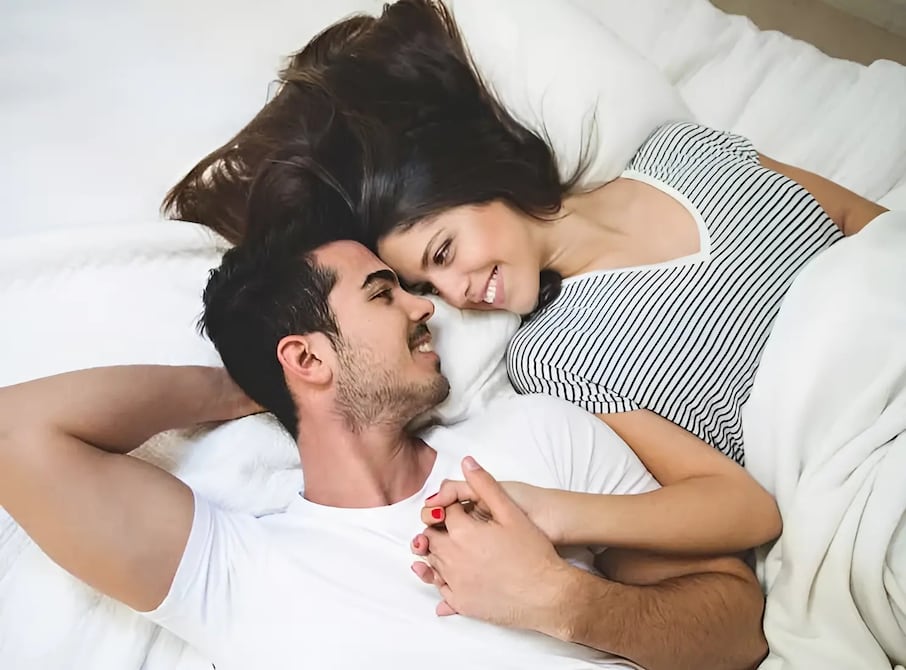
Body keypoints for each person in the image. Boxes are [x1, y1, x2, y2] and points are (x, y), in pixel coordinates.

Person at [162, 0, 893, 562]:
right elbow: (741, 509)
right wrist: (550, 512)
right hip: (863, 463)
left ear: (477, 181)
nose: (455, 293)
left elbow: (872, 229)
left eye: (444, 251)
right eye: (429, 284)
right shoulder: (554, 355)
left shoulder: (684, 153)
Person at [0, 233, 766, 670]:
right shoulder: (239, 573)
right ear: (307, 358)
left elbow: (737, 629)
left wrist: (563, 602)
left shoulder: (535, 436)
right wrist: (244, 387)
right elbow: (15, 434)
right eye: (381, 292)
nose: (423, 305)